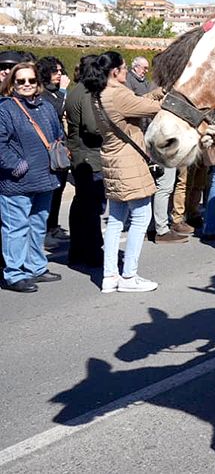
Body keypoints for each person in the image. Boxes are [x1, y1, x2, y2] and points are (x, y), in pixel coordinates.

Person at [87, 51, 163, 293]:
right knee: (141, 217)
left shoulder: (99, 94)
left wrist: (158, 92)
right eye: (123, 68)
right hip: (129, 162)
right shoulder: (117, 94)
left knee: (116, 220)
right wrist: (170, 96)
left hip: (112, 160)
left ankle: (110, 276)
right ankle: (129, 276)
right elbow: (152, 108)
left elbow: (137, 103)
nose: (127, 72)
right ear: (115, 72)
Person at [0, 61, 65, 293]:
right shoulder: (5, 108)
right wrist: (16, 165)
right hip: (17, 182)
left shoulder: (45, 106)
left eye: (31, 80)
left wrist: (60, 149)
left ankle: (36, 267)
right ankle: (13, 274)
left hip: (45, 178)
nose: (27, 84)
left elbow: (59, 134)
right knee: (15, 228)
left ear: (38, 82)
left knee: (37, 226)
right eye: (21, 81)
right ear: (12, 84)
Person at [63, 55, 106, 267]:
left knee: (81, 204)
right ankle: (92, 250)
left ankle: (78, 248)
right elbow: (93, 126)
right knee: (92, 207)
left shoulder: (75, 90)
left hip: (80, 154)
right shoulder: (87, 93)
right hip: (89, 156)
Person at [36, 56, 70, 243]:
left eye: (60, 71)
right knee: (50, 191)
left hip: (60, 147)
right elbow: (55, 110)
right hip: (47, 149)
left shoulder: (57, 92)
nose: (59, 75)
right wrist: (64, 90)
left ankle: (54, 226)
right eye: (55, 71)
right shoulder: (43, 93)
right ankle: (45, 230)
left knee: (59, 188)